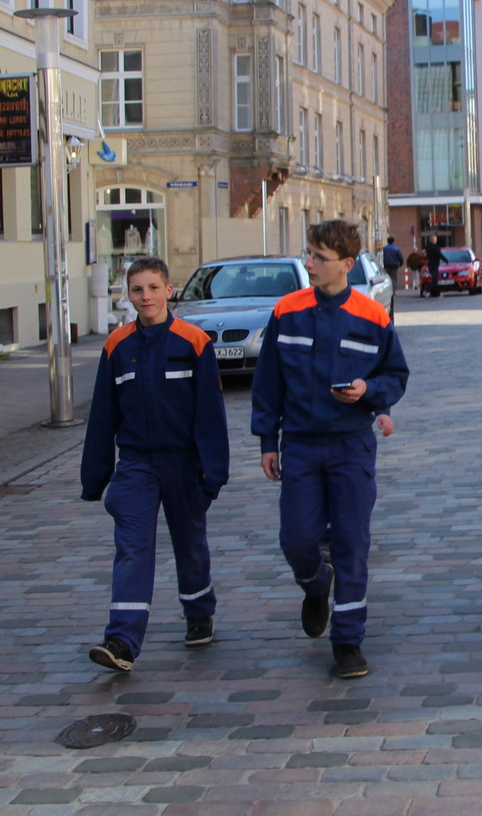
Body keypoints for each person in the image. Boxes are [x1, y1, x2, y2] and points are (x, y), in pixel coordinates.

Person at [252, 219, 409, 680]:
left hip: (350, 445)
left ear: (346, 263)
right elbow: (267, 383)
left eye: (318, 257)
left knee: (351, 543)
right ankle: (316, 586)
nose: (309, 263)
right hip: (299, 444)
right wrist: (267, 440)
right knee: (297, 540)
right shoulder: (287, 311)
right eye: (308, 254)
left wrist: (368, 391)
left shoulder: (372, 314)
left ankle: (348, 641)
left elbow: (395, 376)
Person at [80, 256, 229, 672]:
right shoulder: (117, 347)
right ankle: (122, 640)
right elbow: (102, 418)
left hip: (184, 465)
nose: (145, 297)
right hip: (136, 466)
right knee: (132, 549)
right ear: (128, 296)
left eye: (152, 288)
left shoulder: (193, 342)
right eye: (137, 290)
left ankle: (199, 612)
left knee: (190, 545)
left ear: (169, 290)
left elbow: (210, 415)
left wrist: (213, 473)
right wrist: (95, 478)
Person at [380, 235, 404, 305]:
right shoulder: (396, 249)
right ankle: (393, 291)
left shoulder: (384, 248)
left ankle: (388, 291)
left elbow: (381, 256)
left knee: (387, 278)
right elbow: (400, 257)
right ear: (393, 241)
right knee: (393, 278)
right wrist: (401, 263)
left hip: (386, 265)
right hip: (394, 265)